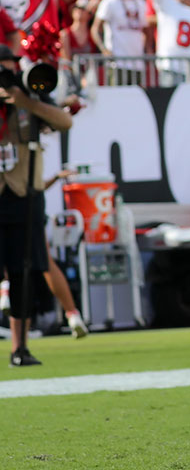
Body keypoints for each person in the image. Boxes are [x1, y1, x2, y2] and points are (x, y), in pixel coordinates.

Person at [0, 45, 73, 366]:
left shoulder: (28, 92)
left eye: (9, 68)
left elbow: (64, 122)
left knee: (23, 272)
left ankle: (20, 347)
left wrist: (25, 101)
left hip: (23, 193)